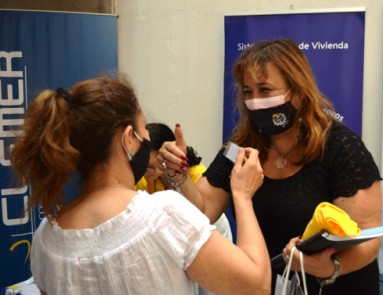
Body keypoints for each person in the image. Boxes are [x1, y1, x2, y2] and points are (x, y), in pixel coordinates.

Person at [158, 38, 383, 294]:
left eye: (264, 90)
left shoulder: (340, 146)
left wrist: (328, 267)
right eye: (247, 92)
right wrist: (179, 174)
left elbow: (369, 237)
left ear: (297, 92)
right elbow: (203, 210)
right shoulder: (240, 148)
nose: (255, 101)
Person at [9, 74, 271, 294]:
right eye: (144, 127)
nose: (148, 136)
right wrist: (243, 195)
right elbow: (256, 285)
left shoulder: (46, 238)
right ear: (128, 139)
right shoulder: (163, 215)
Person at [134, 122, 233, 295]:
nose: (148, 172)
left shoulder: (195, 174)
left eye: (153, 166)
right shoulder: (144, 181)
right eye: (145, 166)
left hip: (210, 228)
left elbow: (199, 217)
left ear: (169, 155)